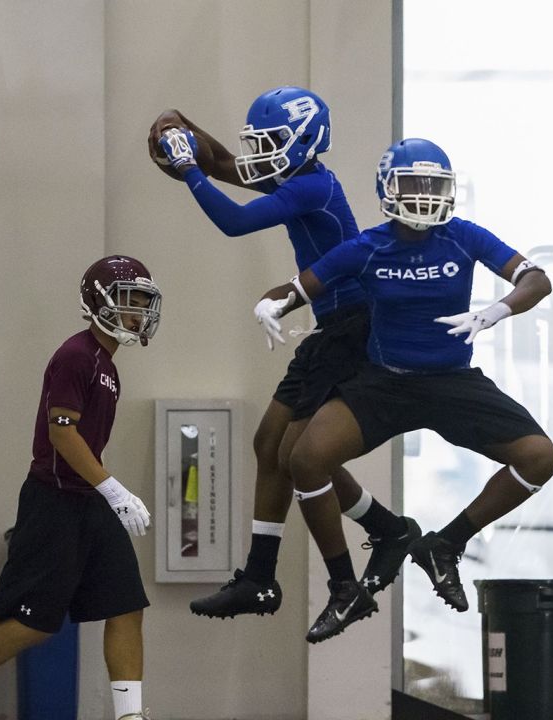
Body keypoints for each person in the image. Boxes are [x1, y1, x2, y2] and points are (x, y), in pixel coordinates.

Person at [254, 138, 553, 641]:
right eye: (411, 186)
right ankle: (345, 588)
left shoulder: (462, 235)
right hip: (385, 382)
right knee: (303, 459)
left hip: (452, 381)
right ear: (386, 188)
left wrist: (496, 310)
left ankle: (445, 543)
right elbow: (295, 287)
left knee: (539, 458)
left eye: (432, 187)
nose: (422, 198)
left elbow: (536, 279)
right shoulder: (367, 246)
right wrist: (271, 306)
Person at [149, 87, 419, 622]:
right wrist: (184, 125)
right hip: (332, 327)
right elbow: (229, 163)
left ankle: (342, 583)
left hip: (355, 328)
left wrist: (188, 170)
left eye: (271, 140)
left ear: (304, 141)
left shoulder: (312, 186)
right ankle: (274, 572)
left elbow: (234, 220)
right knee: (269, 442)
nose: (262, 149)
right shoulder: (296, 175)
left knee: (300, 458)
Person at [0, 256, 162, 720]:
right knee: (34, 624)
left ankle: (129, 717)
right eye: (131, 300)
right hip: (54, 502)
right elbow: (61, 433)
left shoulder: (106, 365)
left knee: (127, 603)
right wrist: (114, 490)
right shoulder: (75, 355)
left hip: (88, 501)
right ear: (100, 302)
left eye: (144, 301)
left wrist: (104, 493)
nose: (139, 311)